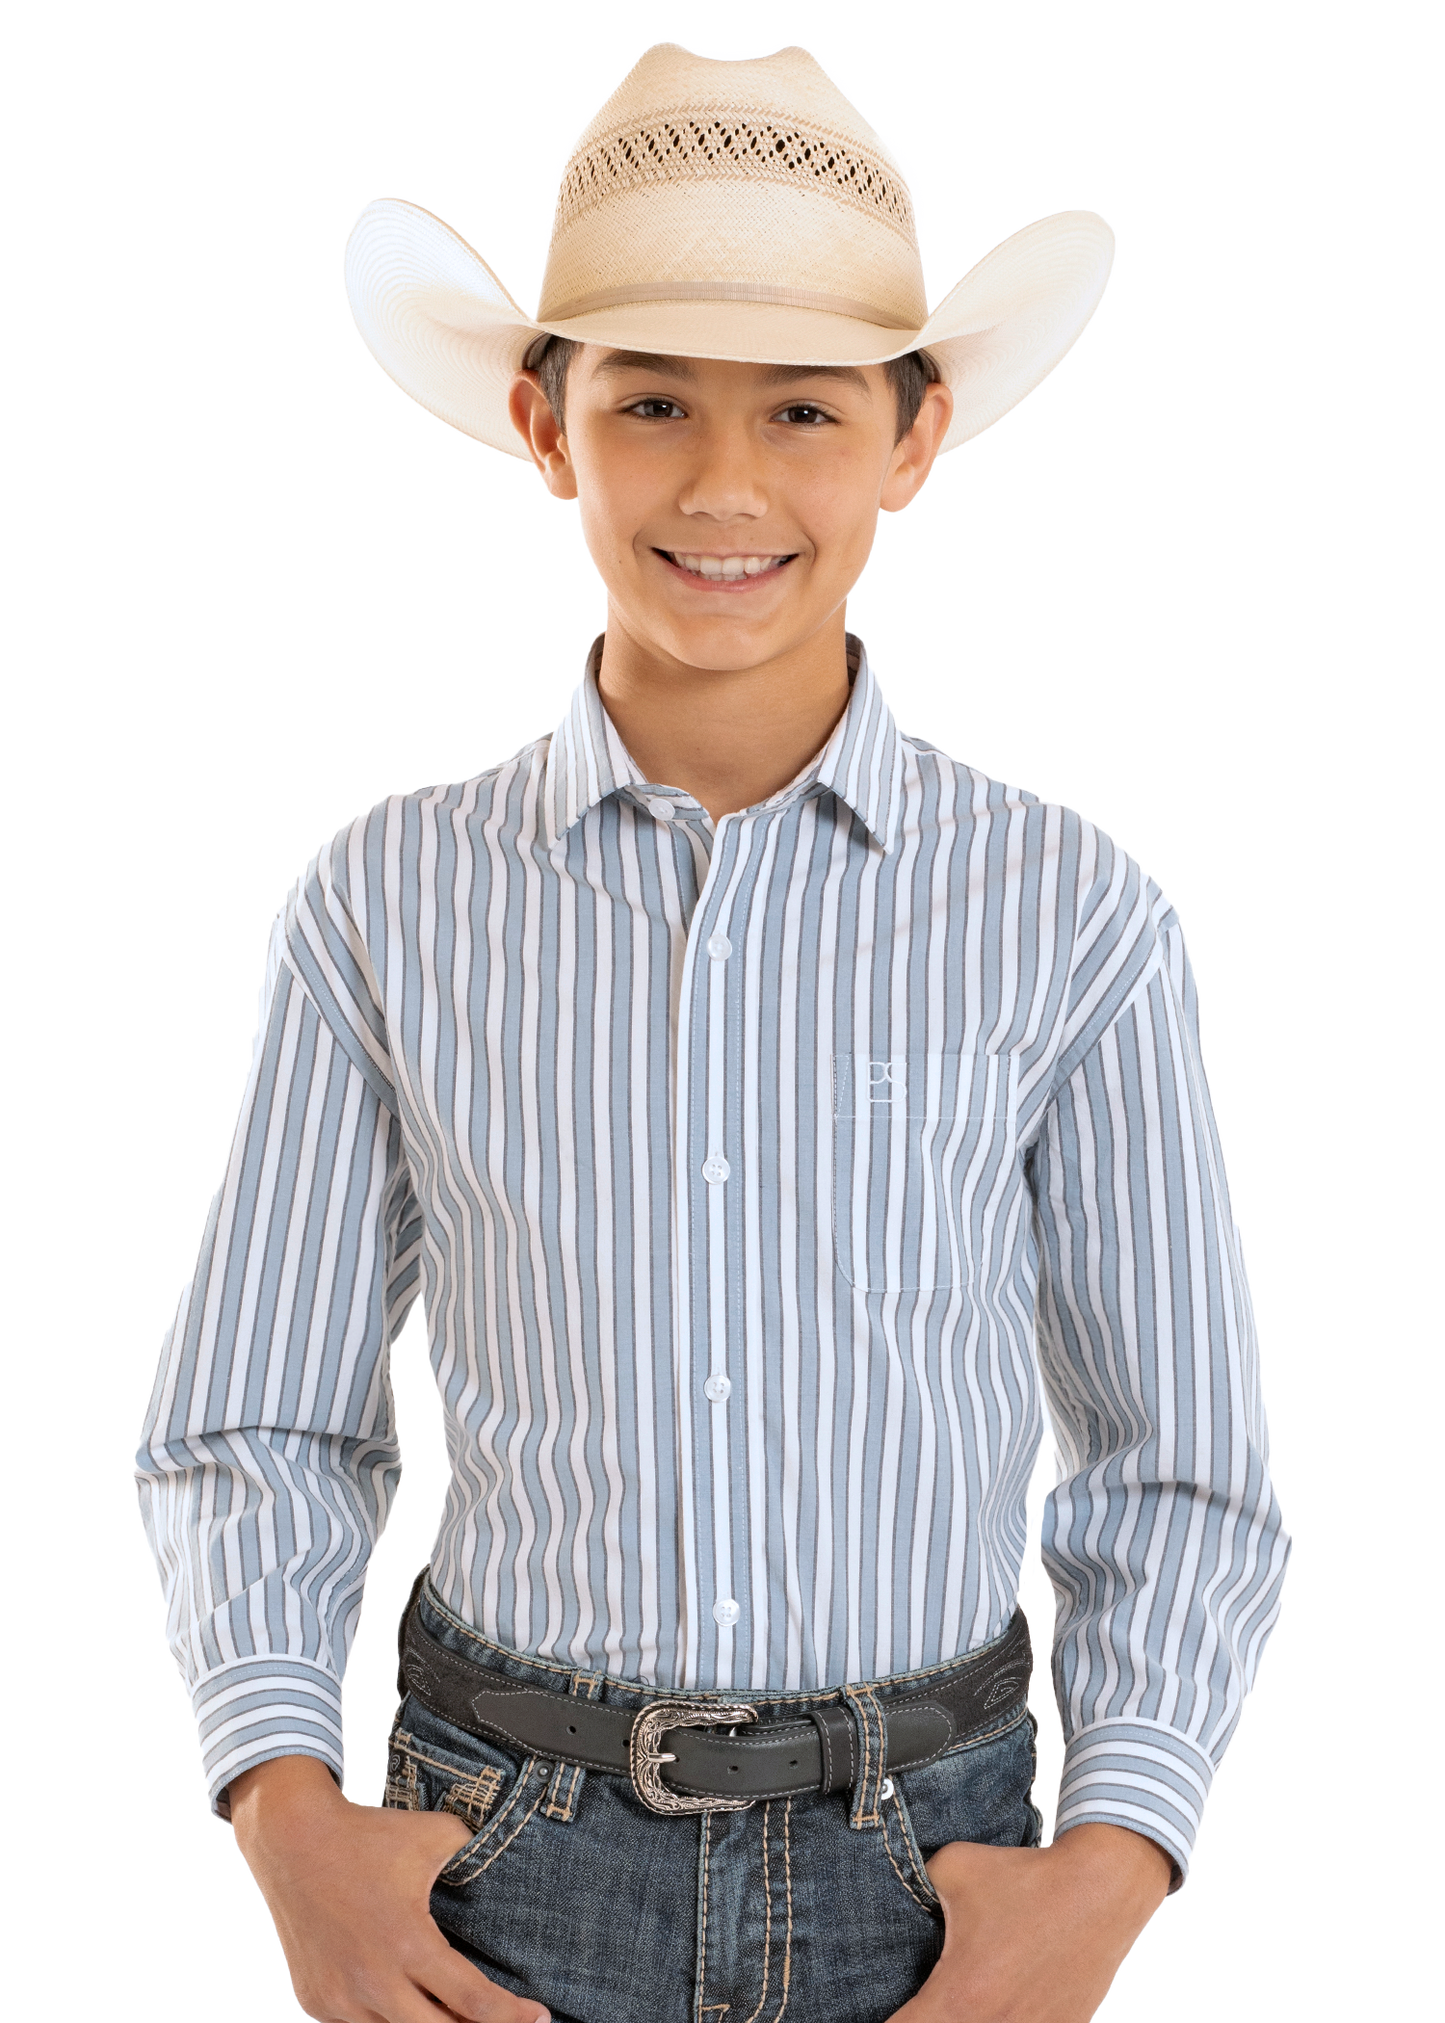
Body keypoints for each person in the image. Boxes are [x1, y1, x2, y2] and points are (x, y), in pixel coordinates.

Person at [133, 33, 1293, 2023]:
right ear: (547, 425)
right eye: (652, 400)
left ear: (914, 439)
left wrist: (1111, 1864)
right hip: (496, 1847)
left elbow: (1175, 1457)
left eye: (805, 409)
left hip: (939, 1863)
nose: (727, 484)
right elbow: (260, 1416)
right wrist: (284, 1813)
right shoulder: (385, 899)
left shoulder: (1069, 912)